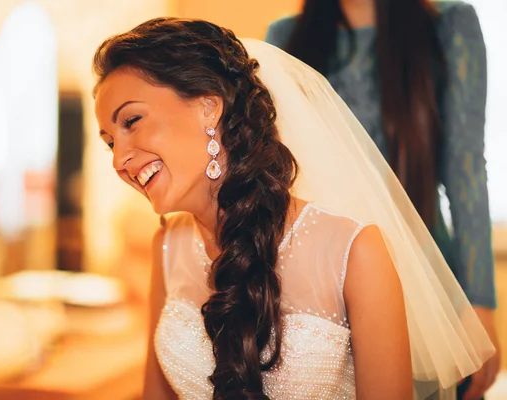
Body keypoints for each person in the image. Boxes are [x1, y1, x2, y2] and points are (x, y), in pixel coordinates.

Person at [92, 18, 494, 399]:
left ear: (208, 107)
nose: (119, 159)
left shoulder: (354, 251)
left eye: (132, 121)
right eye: (110, 141)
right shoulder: (168, 247)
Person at [265, 2, 501, 398]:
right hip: (318, 284)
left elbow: (466, 172)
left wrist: (478, 303)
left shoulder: (449, 27)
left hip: (428, 278)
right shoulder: (286, 38)